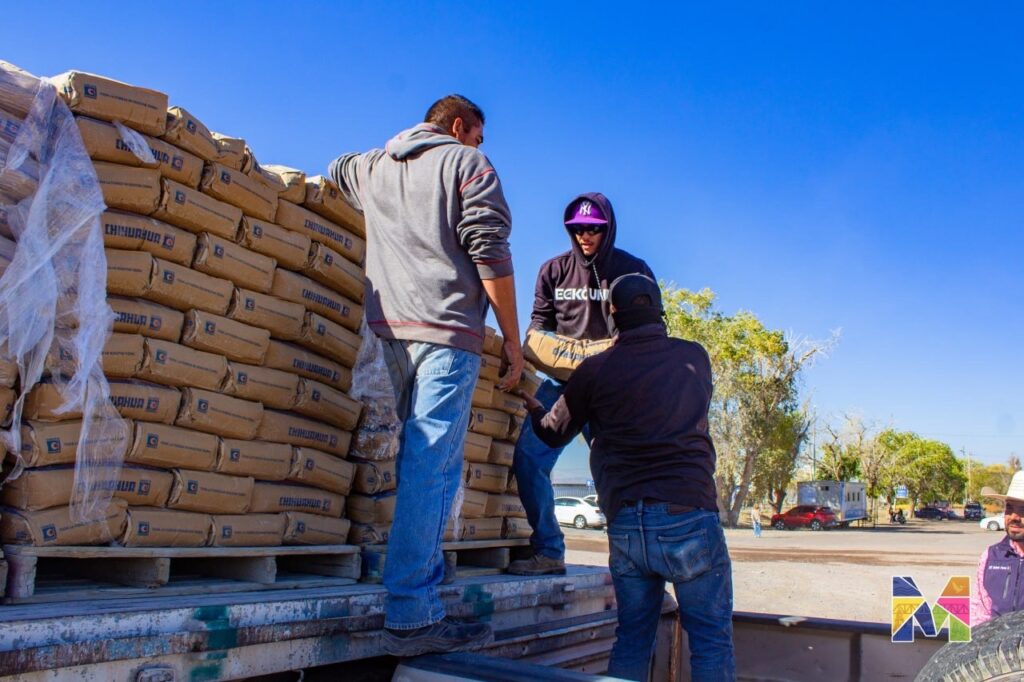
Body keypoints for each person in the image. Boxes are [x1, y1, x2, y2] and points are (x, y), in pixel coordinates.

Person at [329, 94, 523, 656]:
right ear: (459, 127)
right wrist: (510, 338)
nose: (481, 147)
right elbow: (490, 249)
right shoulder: (467, 165)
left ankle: (420, 590)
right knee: (431, 463)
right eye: (478, 135)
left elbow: (338, 166)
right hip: (446, 330)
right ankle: (412, 614)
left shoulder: (374, 166)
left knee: (418, 459)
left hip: (389, 331)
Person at [520, 273, 734, 682]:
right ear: (659, 310)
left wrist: (534, 409)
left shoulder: (594, 371)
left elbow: (552, 432)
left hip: (625, 527)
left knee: (633, 638)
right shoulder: (694, 357)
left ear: (612, 313)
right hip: (688, 515)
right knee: (710, 641)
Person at [508, 193, 654, 576]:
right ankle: (548, 550)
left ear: (608, 228)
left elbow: (650, 328)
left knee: (617, 474)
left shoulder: (632, 270)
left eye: (594, 229)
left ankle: (631, 561)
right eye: (577, 229)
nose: (586, 236)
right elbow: (539, 328)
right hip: (564, 387)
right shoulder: (553, 271)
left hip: (612, 391)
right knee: (527, 459)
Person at [971, 471, 1024, 625]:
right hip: (996, 647)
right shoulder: (990, 555)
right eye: (1009, 508)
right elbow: (979, 613)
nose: (1014, 517)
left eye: (1023, 509)